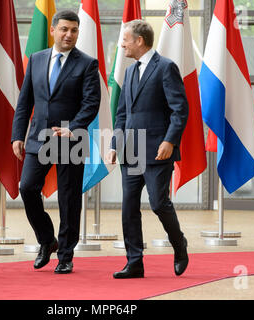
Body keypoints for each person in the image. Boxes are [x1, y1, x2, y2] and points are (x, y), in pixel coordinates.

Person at [11, 10, 101, 274]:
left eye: (74, 30)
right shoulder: (36, 60)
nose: (69, 35)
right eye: (64, 29)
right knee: (27, 188)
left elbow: (90, 104)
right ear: (53, 30)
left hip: (71, 139)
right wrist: (18, 135)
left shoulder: (87, 64)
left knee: (69, 199)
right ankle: (46, 240)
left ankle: (65, 255)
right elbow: (24, 101)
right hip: (38, 138)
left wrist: (72, 128)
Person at [106, 20, 189, 279]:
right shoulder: (130, 72)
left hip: (157, 150)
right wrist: (114, 145)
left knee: (158, 203)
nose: (122, 44)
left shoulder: (166, 68)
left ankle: (179, 244)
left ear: (139, 41)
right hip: (131, 151)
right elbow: (121, 114)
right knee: (129, 206)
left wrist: (170, 141)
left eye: (126, 39)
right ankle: (134, 262)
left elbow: (180, 110)